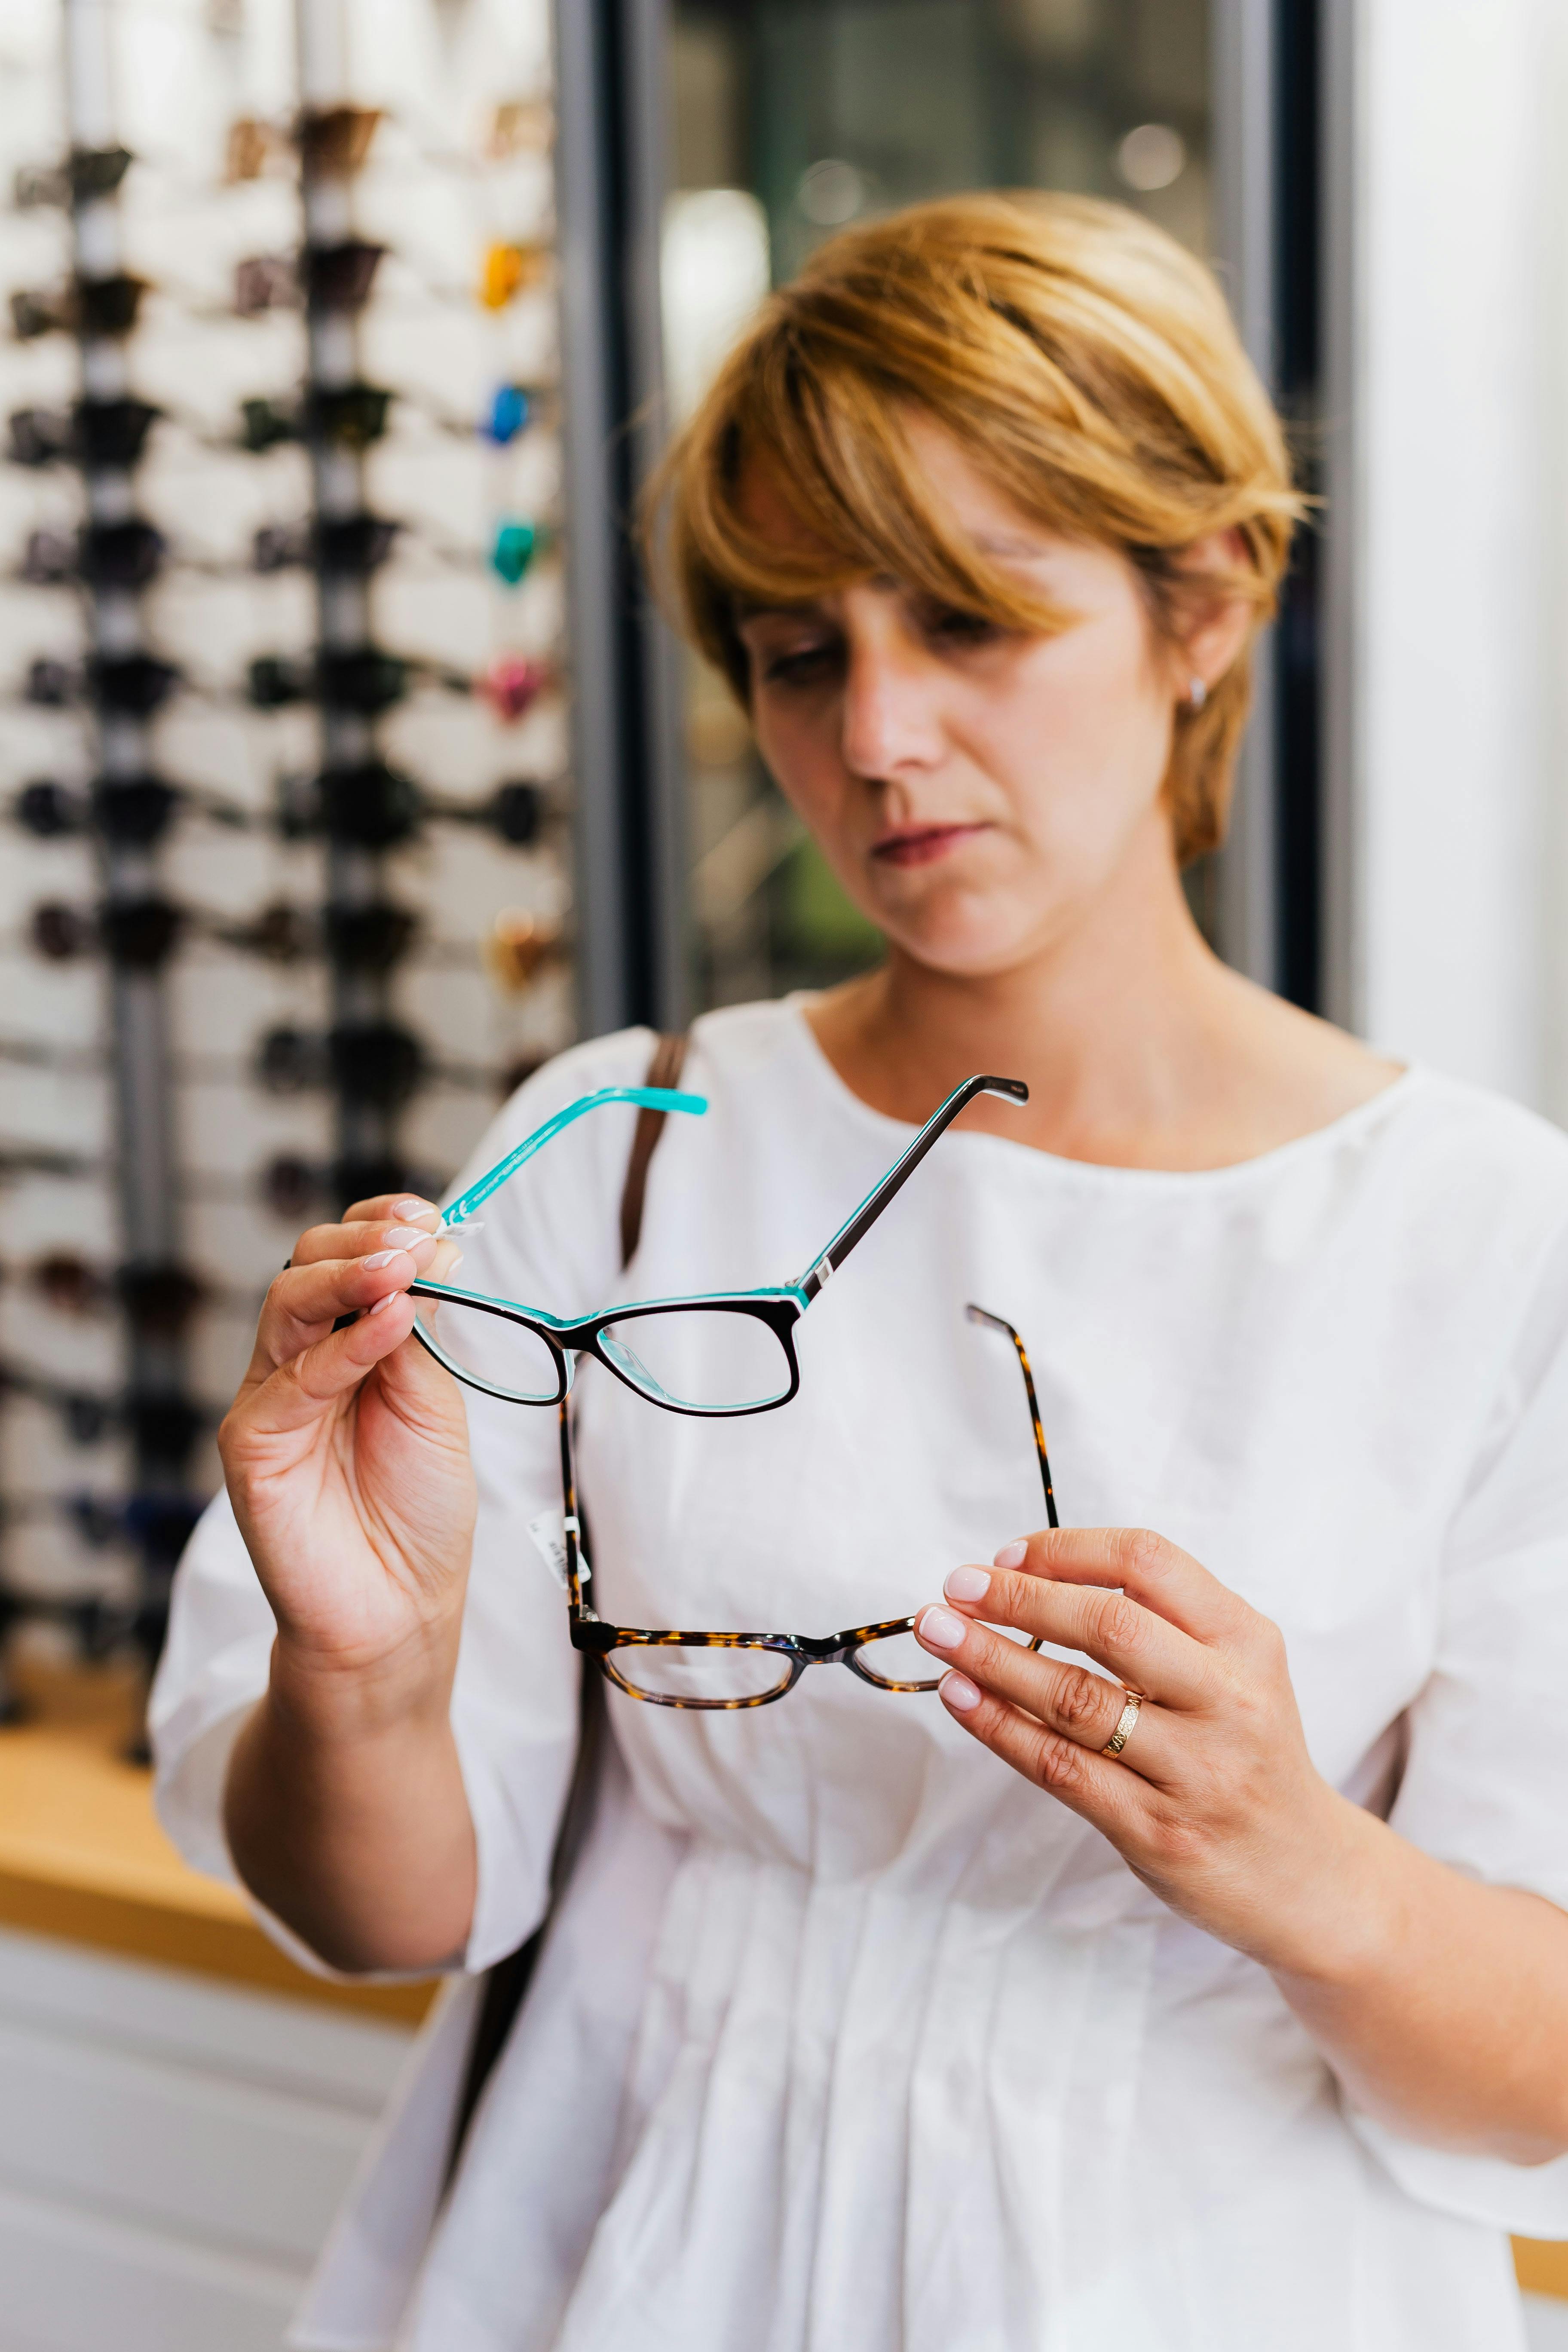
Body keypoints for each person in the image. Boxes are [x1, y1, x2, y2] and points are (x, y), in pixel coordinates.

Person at [153, 193, 1568, 2352]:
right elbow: (393, 1909)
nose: (877, 739)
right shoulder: (623, 1157)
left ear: (1205, 601)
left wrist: (1300, 1856)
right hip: (632, 2247)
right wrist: (364, 1672)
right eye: (800, 654)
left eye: (971, 622)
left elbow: (1542, 2075)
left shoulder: (1485, 1240)